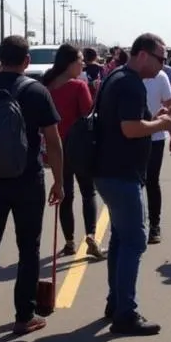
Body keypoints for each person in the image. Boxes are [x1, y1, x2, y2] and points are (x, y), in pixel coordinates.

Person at [0, 35, 64, 342]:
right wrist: (59, 181)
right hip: (26, 180)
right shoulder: (36, 91)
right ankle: (24, 317)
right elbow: (54, 142)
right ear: (27, 60)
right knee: (28, 250)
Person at [94, 33, 171, 335]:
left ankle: (116, 302)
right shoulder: (129, 83)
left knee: (120, 239)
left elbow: (126, 124)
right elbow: (129, 129)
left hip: (110, 170)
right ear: (143, 54)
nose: (163, 66)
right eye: (160, 59)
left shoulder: (116, 77)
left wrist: (152, 119)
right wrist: (162, 124)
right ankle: (125, 313)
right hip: (121, 173)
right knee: (134, 241)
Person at [44, 43, 104, 259]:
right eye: (80, 62)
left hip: (55, 149)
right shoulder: (78, 86)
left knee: (65, 195)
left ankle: (69, 241)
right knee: (88, 193)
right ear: (70, 64)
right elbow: (88, 114)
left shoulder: (47, 85)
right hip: (79, 148)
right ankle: (91, 236)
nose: (82, 65)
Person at [143, 59, 171, 244]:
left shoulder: (161, 77)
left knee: (151, 181)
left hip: (155, 138)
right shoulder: (129, 77)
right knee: (134, 183)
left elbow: (170, 108)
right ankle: (136, 225)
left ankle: (154, 225)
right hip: (132, 138)